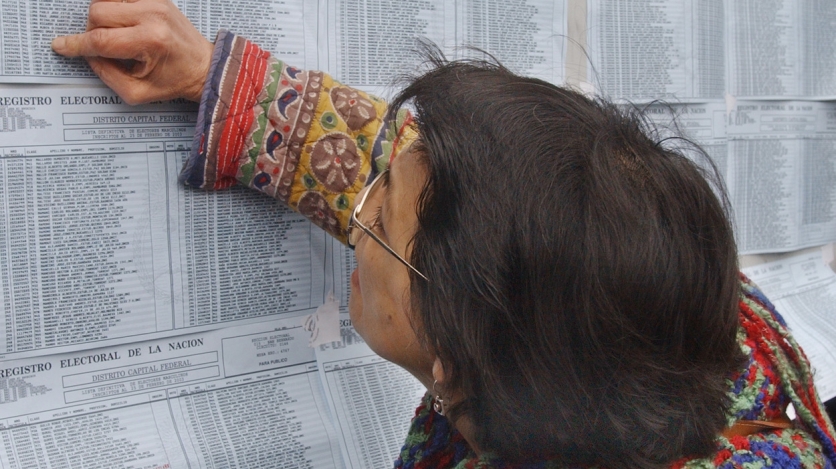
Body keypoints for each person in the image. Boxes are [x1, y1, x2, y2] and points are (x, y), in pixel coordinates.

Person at [52, 1, 836, 467]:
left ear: (456, 373)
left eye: (377, 220)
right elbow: (462, 202)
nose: (355, 208)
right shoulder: (649, 291)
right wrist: (212, 79)